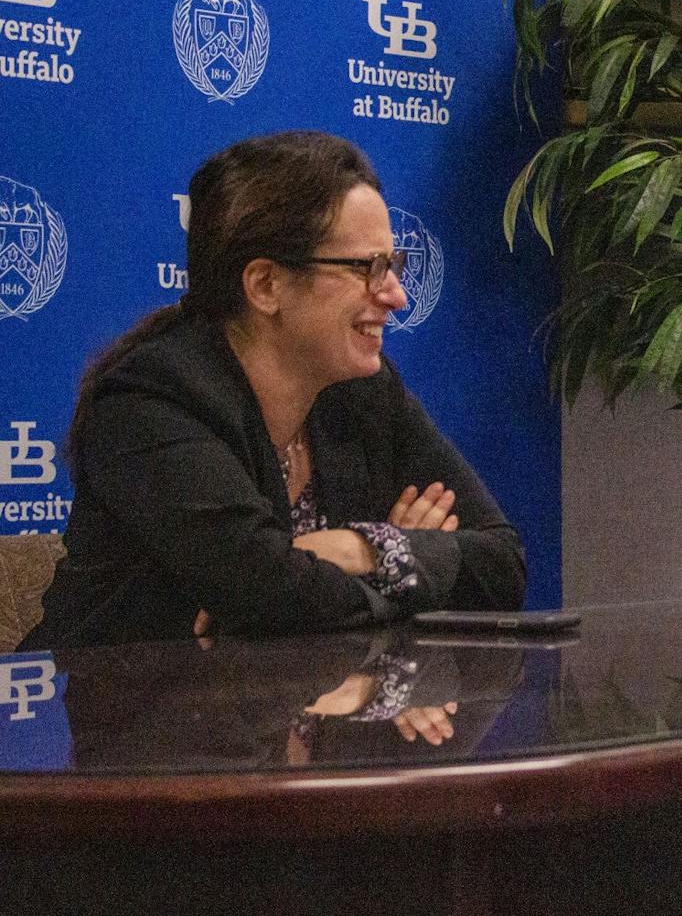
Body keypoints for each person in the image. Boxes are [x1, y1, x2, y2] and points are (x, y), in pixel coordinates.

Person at [23, 131, 525, 649]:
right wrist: (411, 560)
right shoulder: (149, 403)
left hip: (289, 713)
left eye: (392, 266)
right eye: (366, 268)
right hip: (101, 719)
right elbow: (270, 593)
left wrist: (362, 548)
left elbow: (502, 565)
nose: (396, 295)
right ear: (265, 285)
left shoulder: (365, 393)